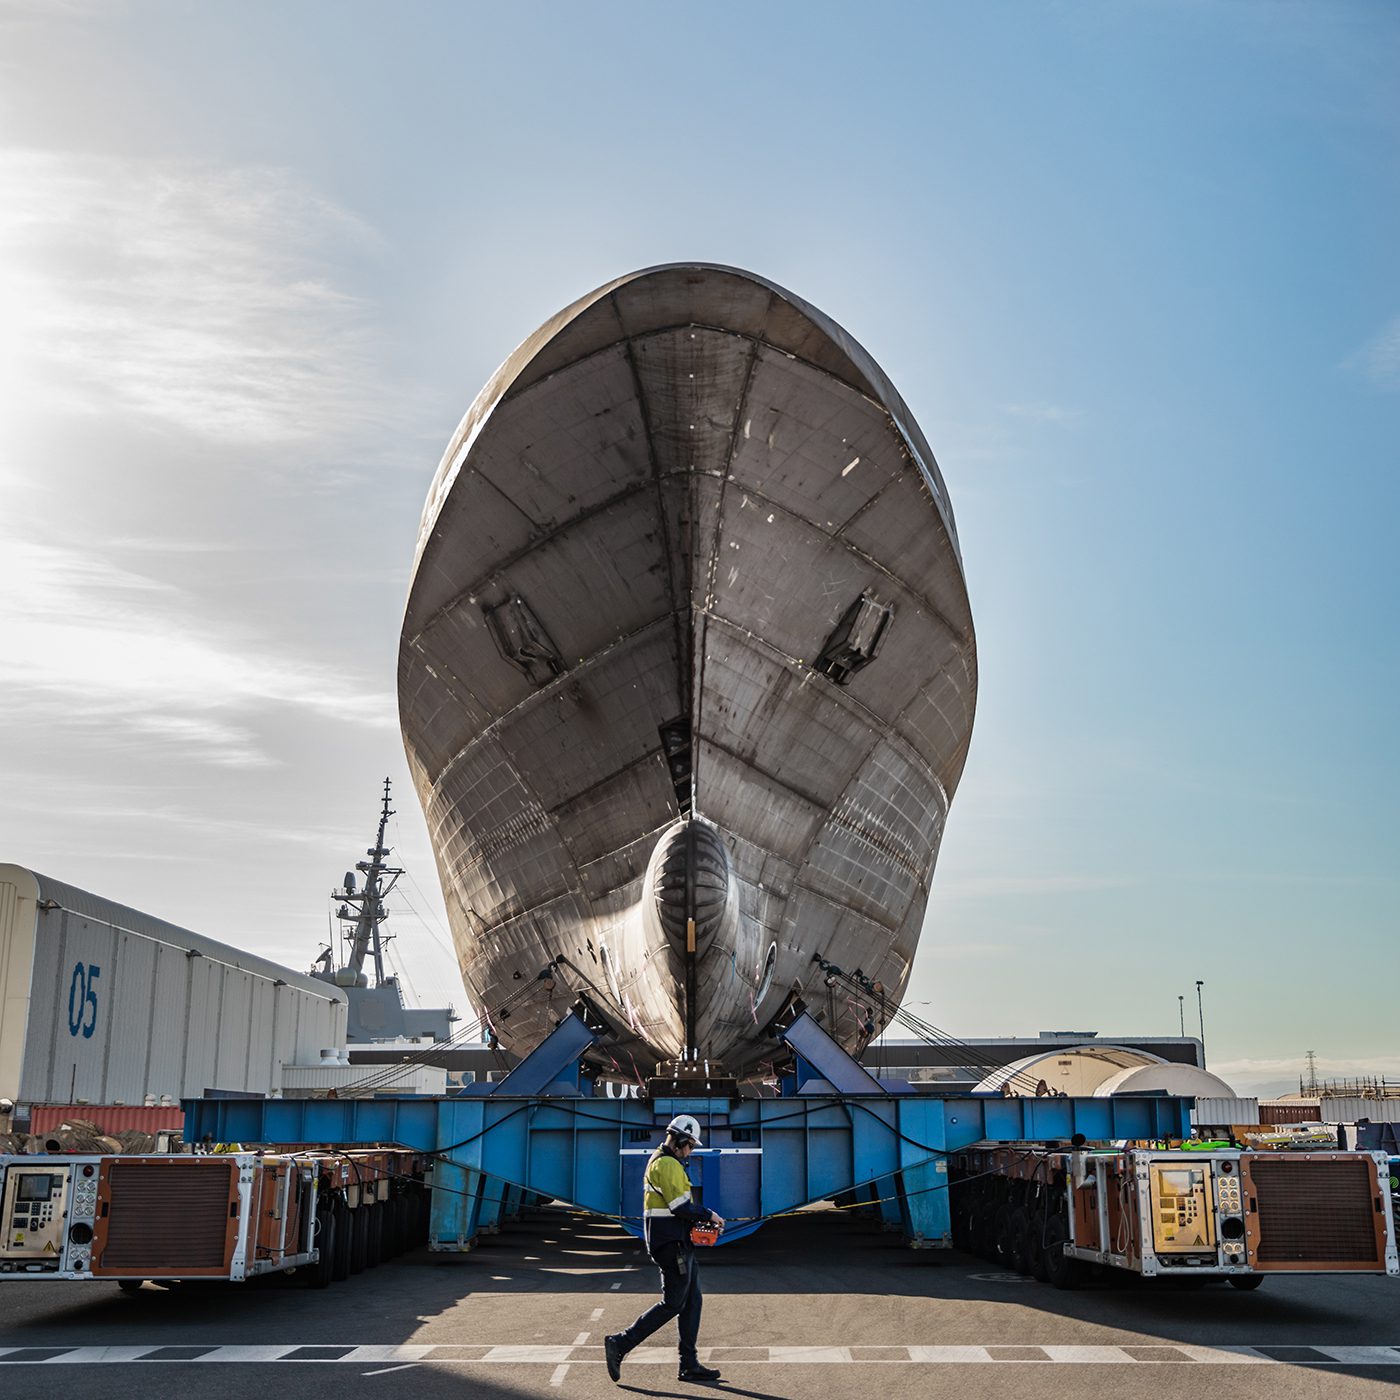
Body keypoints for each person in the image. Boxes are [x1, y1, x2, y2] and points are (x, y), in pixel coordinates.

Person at [605, 1114, 724, 1385]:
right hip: (671, 1245)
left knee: (693, 1301)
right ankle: (620, 1343)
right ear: (681, 1140)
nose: (691, 1151)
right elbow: (680, 1208)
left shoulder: (662, 1160)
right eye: (691, 1145)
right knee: (673, 1303)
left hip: (676, 1242)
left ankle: (689, 1364)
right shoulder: (668, 1164)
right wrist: (710, 1215)